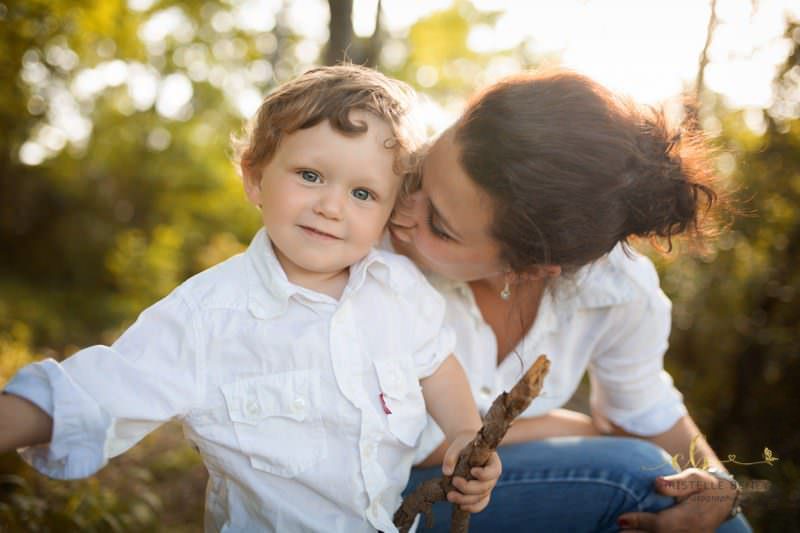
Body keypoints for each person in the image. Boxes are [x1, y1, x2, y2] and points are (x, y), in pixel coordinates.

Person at [0, 65, 501, 533]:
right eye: (310, 176)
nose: (331, 207)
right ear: (255, 177)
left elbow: (436, 365)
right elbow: (100, 390)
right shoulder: (209, 316)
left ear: (389, 210)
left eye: (362, 194)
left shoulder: (398, 290)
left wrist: (464, 432)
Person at [391, 70, 753, 532]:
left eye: (439, 226)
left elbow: (646, 409)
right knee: (629, 475)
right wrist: (571, 427)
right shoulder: (362, 242)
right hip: (378, 494)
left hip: (481, 492)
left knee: (694, 501)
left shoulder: (615, 288)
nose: (400, 209)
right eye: (417, 175)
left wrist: (722, 487)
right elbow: (408, 443)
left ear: (530, 268)